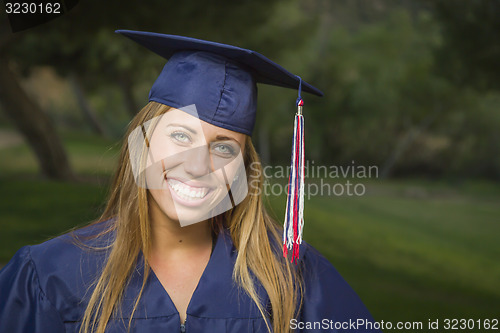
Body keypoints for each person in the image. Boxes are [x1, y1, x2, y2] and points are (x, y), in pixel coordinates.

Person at [0, 30, 380, 333]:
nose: (199, 165)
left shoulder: (291, 279)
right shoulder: (49, 276)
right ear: (142, 143)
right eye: (181, 136)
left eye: (225, 148)